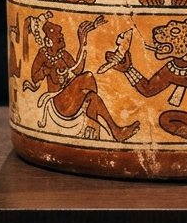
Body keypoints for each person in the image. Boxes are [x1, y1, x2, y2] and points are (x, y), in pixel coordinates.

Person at [23, 11, 138, 142]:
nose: (62, 38)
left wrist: (82, 42)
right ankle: (93, 121)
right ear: (48, 42)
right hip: (57, 101)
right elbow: (34, 77)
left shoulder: (63, 54)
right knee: (88, 77)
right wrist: (47, 71)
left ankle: (116, 132)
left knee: (93, 97)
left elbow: (77, 70)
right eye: (59, 38)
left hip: (70, 98)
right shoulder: (43, 55)